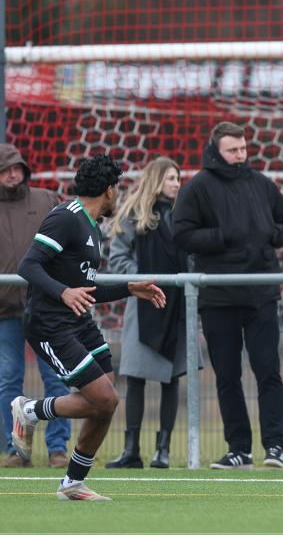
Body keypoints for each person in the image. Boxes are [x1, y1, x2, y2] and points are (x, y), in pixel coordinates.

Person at [12, 154, 166, 500]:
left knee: (105, 402)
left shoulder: (91, 226)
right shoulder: (66, 218)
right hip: (50, 324)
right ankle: (29, 410)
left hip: (78, 321)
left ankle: (72, 483)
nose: (119, 195)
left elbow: (85, 289)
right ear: (110, 190)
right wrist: (63, 292)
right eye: (118, 189)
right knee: (104, 398)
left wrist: (128, 288)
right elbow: (28, 265)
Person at [173, 122, 283, 470]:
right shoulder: (197, 188)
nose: (240, 155)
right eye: (232, 150)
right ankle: (239, 449)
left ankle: (275, 446)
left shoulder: (262, 184)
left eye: (243, 149)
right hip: (218, 298)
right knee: (227, 377)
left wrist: (268, 234)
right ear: (216, 150)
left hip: (261, 296)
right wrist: (223, 236)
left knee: (268, 372)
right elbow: (181, 234)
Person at [106, 157, 190, 469]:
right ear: (156, 180)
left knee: (172, 378)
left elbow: (195, 255)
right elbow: (118, 258)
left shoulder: (186, 215)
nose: (177, 184)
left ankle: (162, 450)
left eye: (178, 178)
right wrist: (142, 281)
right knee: (136, 378)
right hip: (142, 305)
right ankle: (131, 450)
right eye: (171, 178)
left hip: (178, 304)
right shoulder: (134, 214)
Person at [0, 144, 71, 469]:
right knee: (8, 380)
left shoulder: (46, 199)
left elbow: (70, 237)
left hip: (45, 306)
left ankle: (58, 448)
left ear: (24, 170)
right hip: (5, 310)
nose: (12, 174)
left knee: (56, 377)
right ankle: (17, 449)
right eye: (5, 170)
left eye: (16, 168)